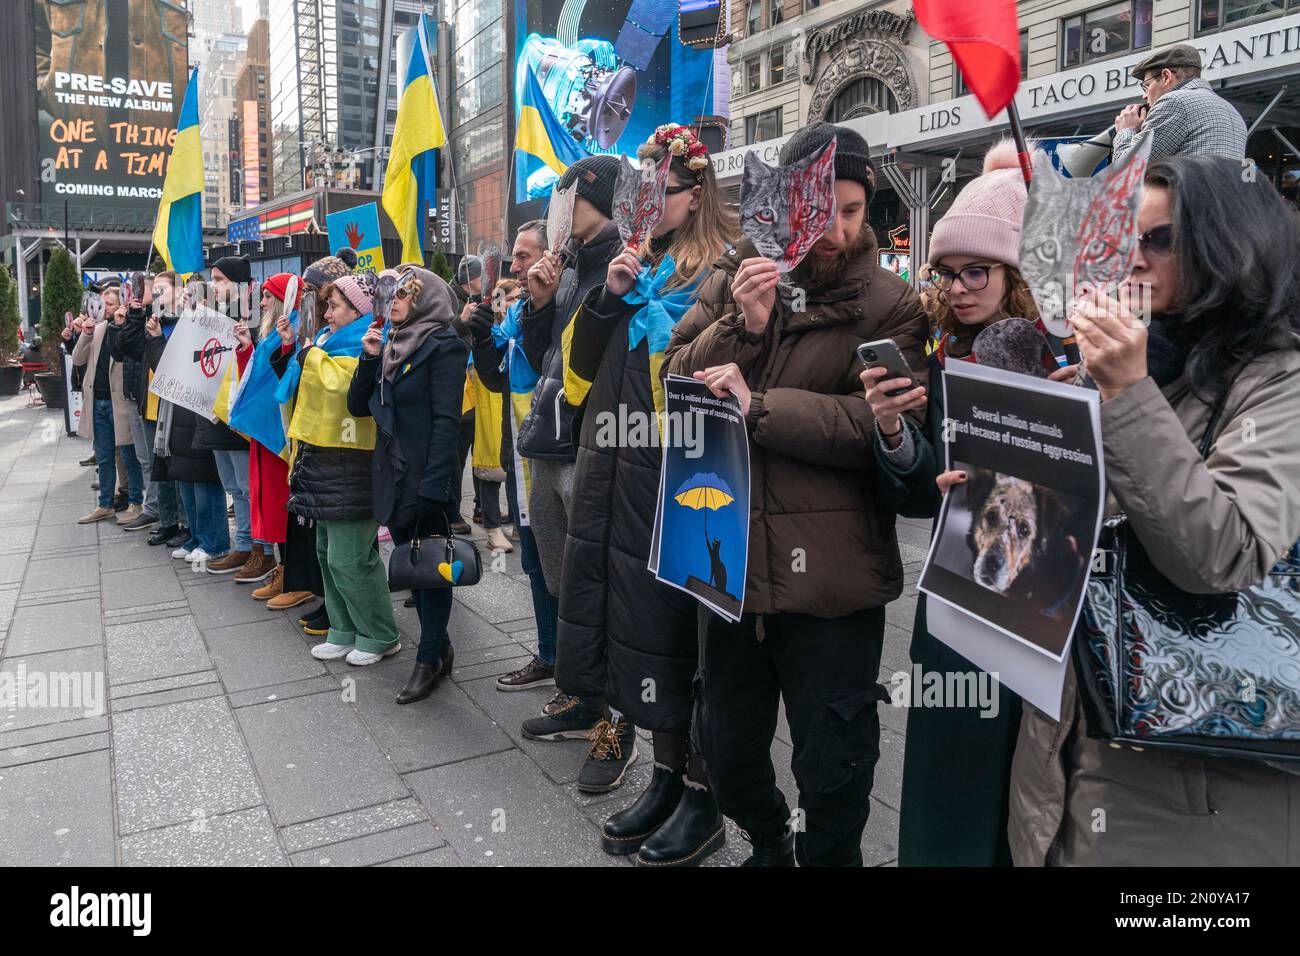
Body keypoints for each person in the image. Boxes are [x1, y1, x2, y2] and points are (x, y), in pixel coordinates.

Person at [1008, 156, 1300, 866]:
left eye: (1159, 240)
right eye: (1123, 238)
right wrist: (998, 496)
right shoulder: (1144, 367)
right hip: (1086, 735)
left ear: (1231, 246)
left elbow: (1221, 555)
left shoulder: (1278, 379)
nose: (1130, 259)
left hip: (1203, 779)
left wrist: (1127, 395)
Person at [665, 121, 930, 866]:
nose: (836, 229)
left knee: (835, 763)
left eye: (851, 211)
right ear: (786, 201)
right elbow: (674, 376)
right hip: (730, 566)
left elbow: (875, 425)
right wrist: (744, 329)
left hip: (832, 585)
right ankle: (770, 838)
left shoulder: (891, 304)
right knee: (726, 747)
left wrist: (760, 407)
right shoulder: (736, 272)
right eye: (823, 209)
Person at [862, 141, 1075, 867]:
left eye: (975, 270)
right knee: (946, 794)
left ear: (1016, 272)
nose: (956, 287)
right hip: (955, 604)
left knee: (1027, 799)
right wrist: (893, 432)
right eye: (945, 272)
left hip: (1040, 616)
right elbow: (918, 486)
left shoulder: (1068, 355)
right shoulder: (941, 351)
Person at [556, 125, 738, 861]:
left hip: (687, 481)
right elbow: (576, 372)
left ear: (696, 196)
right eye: (641, 194)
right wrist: (611, 296)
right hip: (620, 468)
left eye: (657, 194)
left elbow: (715, 369)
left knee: (687, 641)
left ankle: (704, 792)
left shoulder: (726, 268)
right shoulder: (639, 264)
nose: (646, 206)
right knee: (642, 634)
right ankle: (664, 775)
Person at [515, 153, 628, 784]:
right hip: (549, 441)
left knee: (600, 584)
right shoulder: (567, 265)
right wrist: (538, 303)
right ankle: (583, 696)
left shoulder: (619, 263)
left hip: (592, 445)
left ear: (597, 202)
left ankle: (617, 717)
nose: (561, 210)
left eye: (570, 199)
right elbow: (541, 359)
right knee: (564, 580)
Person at [349, 266, 467, 702]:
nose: (393, 302)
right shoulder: (390, 345)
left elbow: (446, 421)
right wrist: (368, 359)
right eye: (391, 295)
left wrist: (436, 486)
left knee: (433, 571)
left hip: (426, 477)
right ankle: (440, 646)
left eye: (405, 296)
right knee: (413, 569)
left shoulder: (444, 345)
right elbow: (358, 407)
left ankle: (428, 659)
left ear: (425, 301)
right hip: (393, 476)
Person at [272, 273, 400, 666]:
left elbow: (345, 391)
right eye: (327, 305)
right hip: (324, 459)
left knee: (351, 557)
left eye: (335, 306)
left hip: (354, 461)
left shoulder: (371, 340)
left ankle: (380, 634)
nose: (327, 314)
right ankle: (344, 629)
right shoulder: (327, 343)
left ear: (359, 311)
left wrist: (309, 356)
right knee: (328, 552)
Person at [468, 221, 560, 693]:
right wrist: (482, 337)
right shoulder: (519, 309)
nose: (515, 265)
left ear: (551, 256)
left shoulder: (562, 304)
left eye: (525, 256)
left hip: (557, 457)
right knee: (535, 563)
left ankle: (574, 668)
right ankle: (549, 655)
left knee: (557, 563)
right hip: (524, 455)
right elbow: (492, 376)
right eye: (514, 256)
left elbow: (551, 361)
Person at [146, 275, 230, 565]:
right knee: (186, 477)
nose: (183, 301)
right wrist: (156, 339)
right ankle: (196, 536)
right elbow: (165, 369)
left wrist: (197, 313)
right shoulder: (173, 324)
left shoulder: (213, 322)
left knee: (205, 482)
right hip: (178, 412)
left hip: (201, 412)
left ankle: (215, 542)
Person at [228, 274, 301, 593]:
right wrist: (246, 350)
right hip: (266, 430)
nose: (262, 303)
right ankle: (281, 567)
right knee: (268, 501)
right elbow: (254, 380)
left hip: (278, 432)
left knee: (278, 502)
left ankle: (288, 571)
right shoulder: (273, 333)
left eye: (269, 297)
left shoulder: (292, 329)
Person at [199, 255, 265, 578]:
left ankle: (261, 549)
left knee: (246, 484)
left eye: (220, 280)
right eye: (212, 279)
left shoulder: (253, 316)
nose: (213, 286)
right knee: (233, 486)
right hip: (215, 413)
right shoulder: (212, 315)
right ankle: (242, 544)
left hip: (238, 413)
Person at [116, 273, 184, 545]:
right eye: (152, 290)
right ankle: (167, 521)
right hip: (151, 405)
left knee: (179, 470)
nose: (155, 295)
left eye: (161, 290)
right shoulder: (150, 320)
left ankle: (186, 524)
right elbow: (125, 349)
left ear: (178, 293)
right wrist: (134, 317)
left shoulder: (182, 322)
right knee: (159, 470)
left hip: (174, 407)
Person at [73, 280, 145, 525]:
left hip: (120, 402)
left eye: (110, 304)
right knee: (104, 456)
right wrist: (86, 334)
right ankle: (105, 505)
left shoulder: (129, 328)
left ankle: (136, 503)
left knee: (128, 455)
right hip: (98, 402)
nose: (104, 309)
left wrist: (124, 324)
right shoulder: (99, 328)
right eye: (102, 304)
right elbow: (78, 359)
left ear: (121, 304)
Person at [1113, 44, 1246, 165]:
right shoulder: (1231, 111)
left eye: (1146, 85)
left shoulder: (1174, 102)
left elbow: (1126, 170)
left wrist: (1126, 130)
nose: (1145, 95)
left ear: (1166, 76)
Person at [467, 278, 518, 554]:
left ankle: (517, 522)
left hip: (515, 402)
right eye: (508, 299)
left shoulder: (521, 328)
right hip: (490, 403)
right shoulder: (489, 332)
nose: (513, 304)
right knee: (490, 466)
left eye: (517, 298)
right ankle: (493, 528)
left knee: (515, 464)